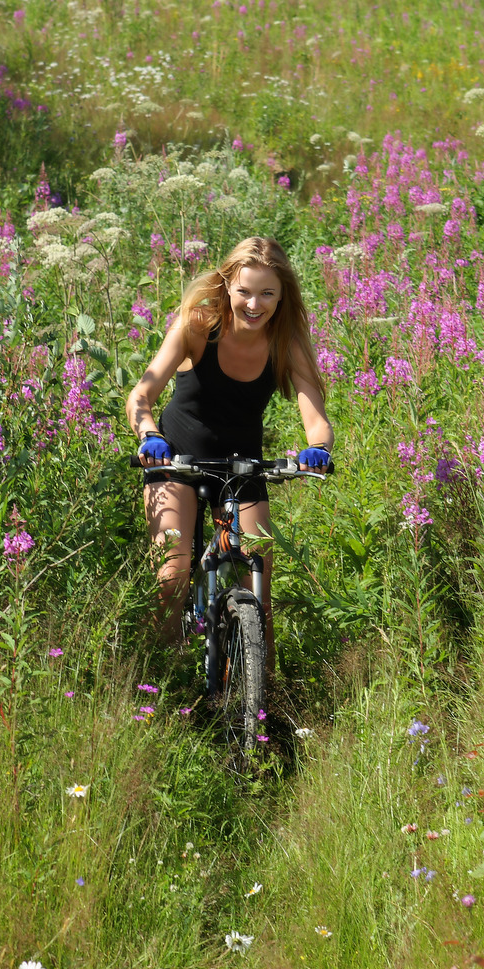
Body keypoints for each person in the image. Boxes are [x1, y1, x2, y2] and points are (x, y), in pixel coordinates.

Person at [125, 236, 333, 668]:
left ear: (282, 295)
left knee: (257, 579)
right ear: (226, 286)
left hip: (243, 463)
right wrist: (148, 435)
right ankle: (163, 679)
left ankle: (263, 694)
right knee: (172, 573)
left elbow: (317, 418)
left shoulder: (285, 341)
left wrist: (317, 448)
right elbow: (141, 394)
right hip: (175, 458)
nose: (254, 305)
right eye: (244, 292)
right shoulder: (197, 326)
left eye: (267, 293)